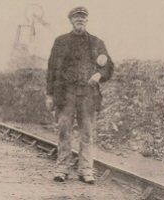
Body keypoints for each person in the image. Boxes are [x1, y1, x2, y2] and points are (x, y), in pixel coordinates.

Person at [46, 6, 114, 184]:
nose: (80, 20)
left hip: (88, 95)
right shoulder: (60, 41)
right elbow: (51, 69)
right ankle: (62, 169)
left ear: (87, 20)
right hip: (66, 94)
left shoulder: (97, 42)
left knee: (87, 133)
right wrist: (49, 94)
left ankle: (86, 170)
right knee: (64, 131)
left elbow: (108, 65)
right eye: (77, 18)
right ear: (71, 20)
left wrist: (100, 74)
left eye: (83, 18)